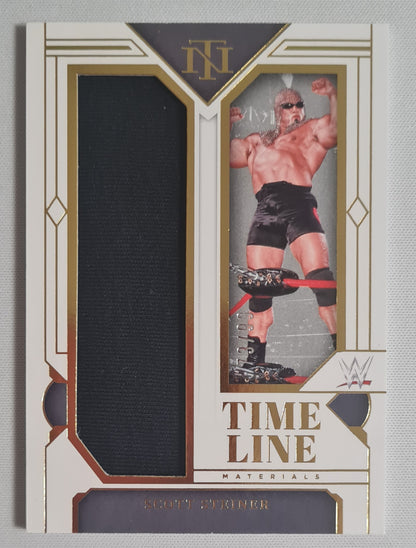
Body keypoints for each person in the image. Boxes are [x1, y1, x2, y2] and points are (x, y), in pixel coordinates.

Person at [230, 77, 337, 365]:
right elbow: (224, 155)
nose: (296, 110)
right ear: (277, 110)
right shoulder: (256, 142)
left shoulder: (310, 132)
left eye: (300, 105)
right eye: (289, 105)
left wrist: (333, 95)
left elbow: (337, 129)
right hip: (265, 209)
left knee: (322, 281)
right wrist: (223, 124)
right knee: (259, 292)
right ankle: (254, 364)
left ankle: (344, 353)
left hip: (298, 204)